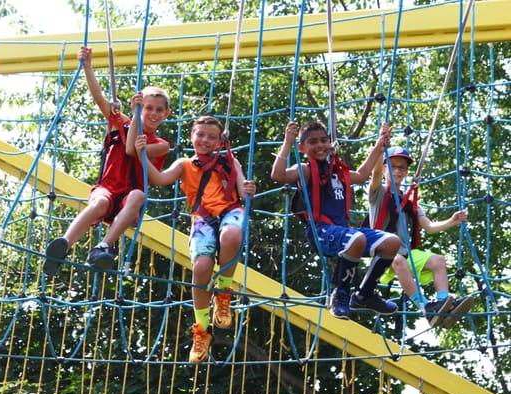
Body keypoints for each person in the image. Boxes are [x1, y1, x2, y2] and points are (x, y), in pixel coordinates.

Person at [134, 115, 255, 363]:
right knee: (201, 268)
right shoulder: (184, 164)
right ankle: (202, 328)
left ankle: (224, 291)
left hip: (230, 210)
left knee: (232, 234)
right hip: (202, 218)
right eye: (200, 135)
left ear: (220, 141)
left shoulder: (230, 161)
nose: (205, 140)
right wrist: (141, 154)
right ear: (192, 136)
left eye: (211, 137)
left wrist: (249, 189)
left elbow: (242, 190)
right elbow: (158, 179)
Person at [43, 46, 171, 276]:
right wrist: (88, 67)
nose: (153, 113)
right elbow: (99, 99)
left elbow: (132, 150)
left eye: (159, 110)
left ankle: (103, 247)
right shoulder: (121, 123)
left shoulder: (161, 144)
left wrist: (134, 116)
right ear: (141, 109)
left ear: (166, 114)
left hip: (129, 199)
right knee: (99, 203)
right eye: (148, 108)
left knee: (139, 195)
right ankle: (63, 244)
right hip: (108, 189)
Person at [271, 121, 401, 320]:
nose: (320, 145)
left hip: (344, 233)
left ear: (331, 143)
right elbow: (278, 175)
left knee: (392, 242)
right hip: (321, 231)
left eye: (324, 140)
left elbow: (363, 174)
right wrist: (288, 142)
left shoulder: (338, 172)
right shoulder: (305, 170)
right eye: (313, 142)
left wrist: (379, 145)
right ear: (302, 148)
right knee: (356, 238)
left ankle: (364, 294)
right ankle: (341, 294)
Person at [369, 143, 474, 328]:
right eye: (392, 166)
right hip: (382, 254)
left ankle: (443, 303)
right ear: (385, 168)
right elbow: (375, 174)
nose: (397, 171)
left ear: (406, 172)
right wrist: (380, 147)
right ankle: (426, 307)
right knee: (398, 261)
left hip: (404, 253)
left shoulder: (410, 201)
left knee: (438, 260)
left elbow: (429, 227)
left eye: (402, 168)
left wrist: (451, 221)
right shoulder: (378, 194)